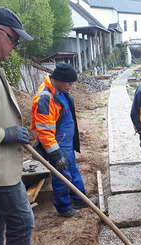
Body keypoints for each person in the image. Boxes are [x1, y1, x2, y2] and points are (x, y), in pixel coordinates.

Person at [0, 6, 64, 245]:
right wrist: (3, 134)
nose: (16, 46)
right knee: (22, 221)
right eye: (13, 39)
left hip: (0, 164)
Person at [31, 63, 87, 217]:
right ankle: (63, 208)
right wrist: (55, 155)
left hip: (67, 142)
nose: (70, 87)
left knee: (73, 169)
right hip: (58, 143)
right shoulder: (45, 98)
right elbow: (44, 132)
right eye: (69, 83)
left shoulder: (60, 91)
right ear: (60, 80)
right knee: (62, 175)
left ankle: (80, 199)